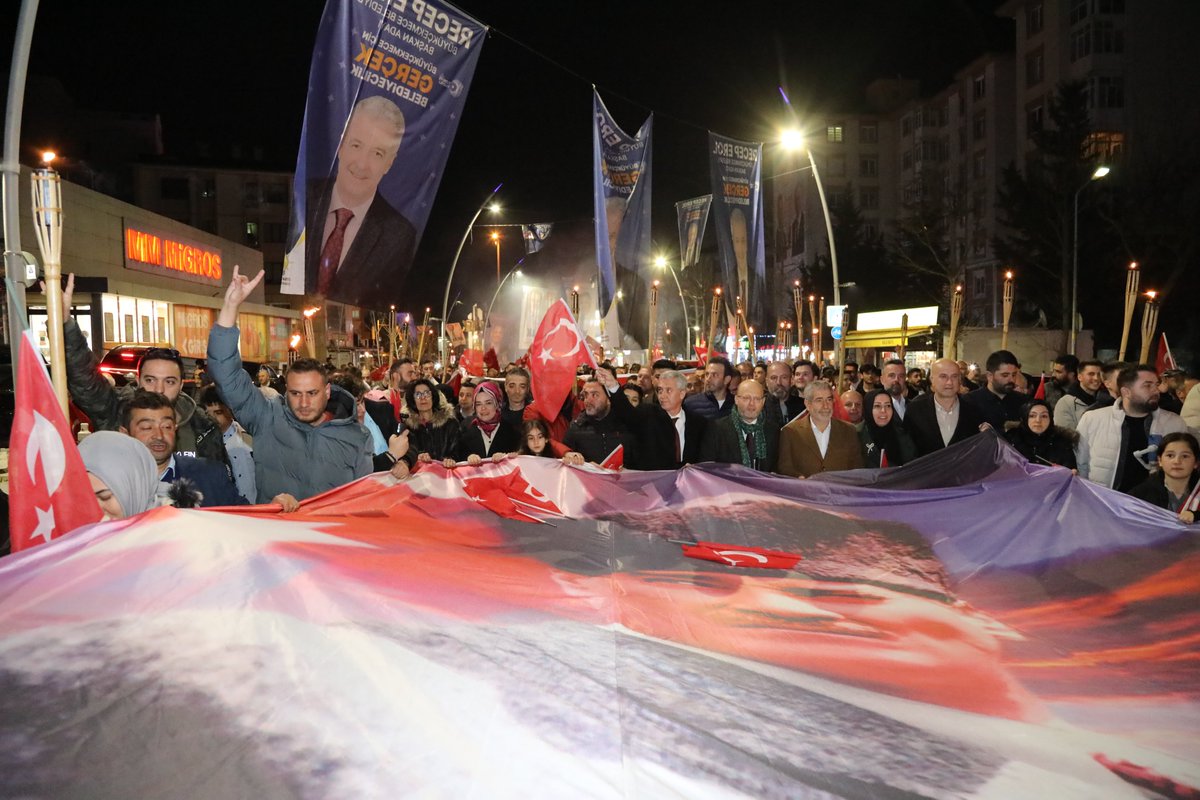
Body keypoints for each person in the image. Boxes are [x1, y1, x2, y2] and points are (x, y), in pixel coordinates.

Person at [208, 267, 380, 511]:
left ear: (328, 391)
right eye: (295, 393)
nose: (303, 402)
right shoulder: (267, 417)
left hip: (328, 542)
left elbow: (362, 502)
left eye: (312, 393)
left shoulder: (357, 437)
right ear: (285, 390)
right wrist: (230, 307)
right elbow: (226, 375)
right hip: (274, 541)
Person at [54, 275, 227, 465]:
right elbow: (84, 379)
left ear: (181, 386)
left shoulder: (203, 426)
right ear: (138, 380)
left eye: (169, 381)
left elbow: (219, 482)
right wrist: (65, 324)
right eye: (150, 380)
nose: (159, 389)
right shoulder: (115, 410)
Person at [302, 95, 418, 306]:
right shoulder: (304, 198)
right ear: (341, 145)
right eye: (356, 145)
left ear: (389, 163)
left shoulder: (399, 236)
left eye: (377, 153)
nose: (362, 164)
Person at [119, 391, 245, 508]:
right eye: (147, 427)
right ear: (125, 434)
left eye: (167, 426)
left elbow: (244, 520)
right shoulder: (109, 484)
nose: (159, 435)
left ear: (176, 429)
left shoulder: (211, 475)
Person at [1075, 364, 1189, 493]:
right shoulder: (1092, 419)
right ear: (1126, 392)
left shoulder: (1174, 423)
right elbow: (1081, 464)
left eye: (1156, 384)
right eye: (1147, 385)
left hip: (1154, 506)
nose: (1156, 391)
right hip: (1104, 502)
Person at [604, 368, 708, 469]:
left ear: (682, 394)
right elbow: (627, 413)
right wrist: (613, 387)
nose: (662, 395)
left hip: (686, 483)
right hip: (653, 483)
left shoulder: (698, 422)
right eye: (660, 390)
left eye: (668, 390)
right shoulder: (648, 414)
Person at [778, 380, 864, 478]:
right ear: (808, 404)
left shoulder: (849, 430)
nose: (826, 406)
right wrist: (800, 479)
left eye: (829, 399)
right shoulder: (790, 432)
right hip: (804, 491)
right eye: (819, 400)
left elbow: (857, 468)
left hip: (839, 491)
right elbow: (785, 468)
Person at [905, 358, 987, 457]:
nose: (949, 382)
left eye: (954, 376)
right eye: (943, 377)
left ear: (960, 379)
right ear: (932, 379)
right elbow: (908, 451)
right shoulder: (915, 410)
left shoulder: (973, 411)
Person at [699, 377, 780, 471]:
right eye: (746, 398)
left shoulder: (773, 431)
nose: (751, 404)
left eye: (757, 399)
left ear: (763, 402)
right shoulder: (717, 429)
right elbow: (706, 467)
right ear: (736, 399)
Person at [79, 430, 160, 520]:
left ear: (136, 488)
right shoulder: (74, 532)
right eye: (85, 500)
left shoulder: (171, 530)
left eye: (105, 497)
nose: (96, 510)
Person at [199, 385, 257, 504]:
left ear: (230, 410)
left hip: (255, 511)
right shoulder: (200, 445)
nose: (213, 419)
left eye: (218, 412)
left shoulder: (251, 437)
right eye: (208, 414)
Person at [562, 378, 638, 467]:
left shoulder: (625, 426)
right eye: (586, 395)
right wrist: (572, 457)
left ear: (609, 399)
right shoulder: (576, 428)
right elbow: (564, 459)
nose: (588, 400)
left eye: (594, 395)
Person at [1129, 432, 1199, 523]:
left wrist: (1196, 516)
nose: (1177, 461)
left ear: (1196, 463)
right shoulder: (1140, 495)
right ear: (1160, 460)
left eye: (1185, 456)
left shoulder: (1198, 491)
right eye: (1170, 455)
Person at [450, 382, 520, 465]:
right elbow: (456, 455)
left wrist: (506, 458)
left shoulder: (511, 430)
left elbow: (518, 460)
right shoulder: (465, 426)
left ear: (497, 403)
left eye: (488, 403)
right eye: (478, 404)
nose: (483, 408)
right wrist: (468, 457)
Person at [963, 350, 1029, 433]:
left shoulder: (1023, 401)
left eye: (1014, 375)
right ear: (990, 376)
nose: (1011, 380)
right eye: (1005, 375)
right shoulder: (970, 401)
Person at [400, 377, 460, 467]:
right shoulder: (407, 427)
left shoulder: (450, 422)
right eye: (418, 394)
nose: (423, 398)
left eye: (427, 393)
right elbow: (404, 455)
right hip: (418, 476)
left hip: (445, 475)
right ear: (412, 400)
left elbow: (459, 450)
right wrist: (416, 457)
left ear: (433, 396)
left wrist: (450, 459)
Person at [1004, 399, 1078, 471]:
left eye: (1044, 416)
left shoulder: (1061, 442)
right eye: (1032, 416)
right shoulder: (1011, 439)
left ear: (1051, 419)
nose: (1038, 420)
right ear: (1025, 418)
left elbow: (1069, 468)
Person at [859, 391, 918, 468]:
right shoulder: (858, 437)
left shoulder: (902, 434)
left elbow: (913, 461)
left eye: (888, 406)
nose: (883, 410)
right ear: (868, 409)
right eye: (877, 406)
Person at [1054, 359, 1104, 431]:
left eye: (1099, 374)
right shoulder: (1065, 403)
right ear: (1079, 377)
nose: (1096, 378)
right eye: (1091, 374)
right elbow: (1065, 435)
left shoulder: (1105, 401)